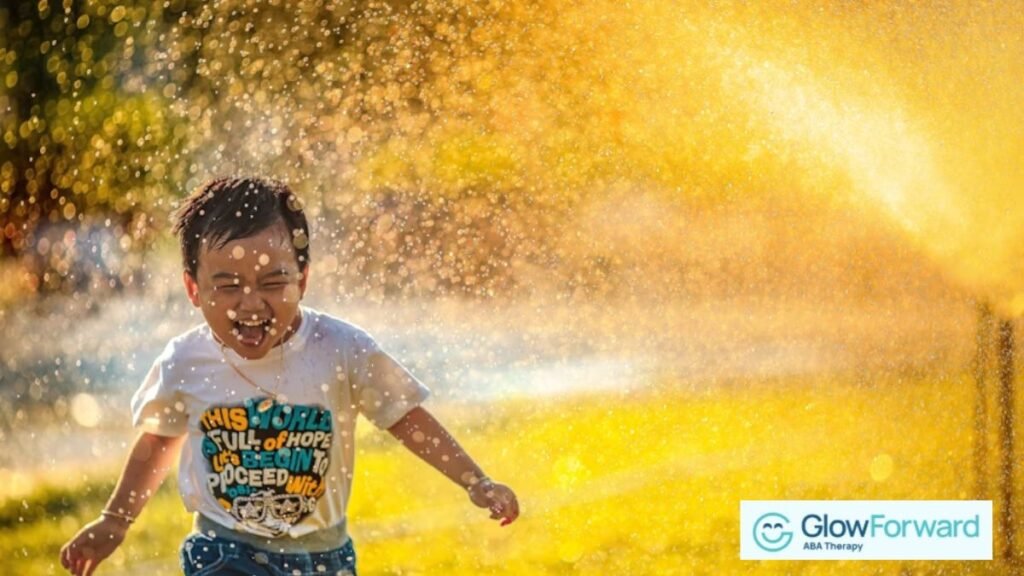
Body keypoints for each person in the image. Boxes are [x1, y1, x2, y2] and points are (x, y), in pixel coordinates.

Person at [59, 177, 519, 576]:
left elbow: (405, 416)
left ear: (303, 279)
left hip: (323, 559)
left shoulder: (340, 349)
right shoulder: (187, 360)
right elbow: (159, 440)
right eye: (228, 285)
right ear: (194, 289)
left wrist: (475, 480)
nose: (250, 303)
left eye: (273, 283)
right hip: (223, 551)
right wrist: (115, 520)